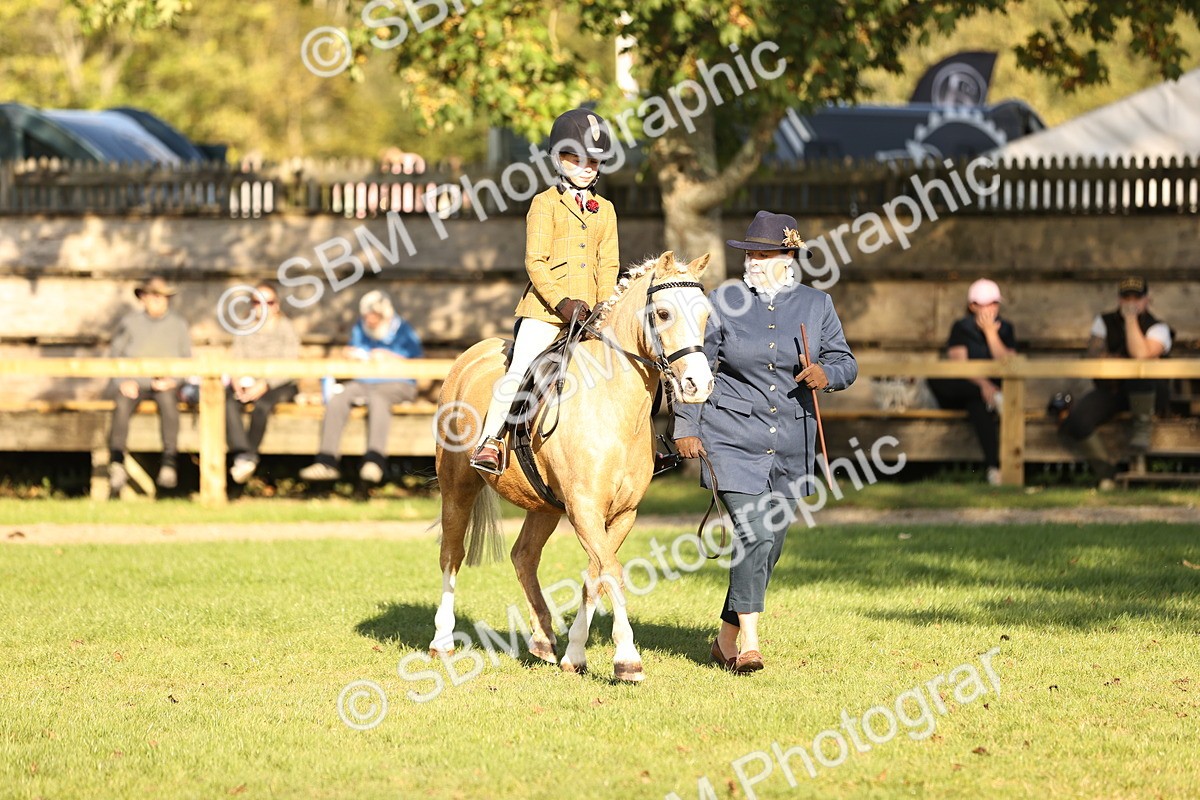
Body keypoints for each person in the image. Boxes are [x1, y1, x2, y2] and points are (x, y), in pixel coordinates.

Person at [673, 211, 858, 674]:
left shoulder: (818, 305)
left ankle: (724, 639)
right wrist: (687, 426)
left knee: (768, 543)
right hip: (730, 436)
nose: (754, 261)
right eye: (750, 253)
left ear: (789, 256)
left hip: (793, 441)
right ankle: (750, 644)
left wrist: (827, 374)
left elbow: (845, 361)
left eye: (764, 253)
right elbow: (697, 369)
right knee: (755, 530)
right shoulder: (721, 302)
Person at [469, 107, 620, 474]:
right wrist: (563, 302)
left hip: (592, 315)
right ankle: (490, 441)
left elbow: (609, 264)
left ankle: (640, 446)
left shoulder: (606, 210)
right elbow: (535, 261)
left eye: (594, 161)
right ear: (559, 158)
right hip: (546, 311)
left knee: (627, 367)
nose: (587, 167)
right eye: (578, 158)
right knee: (520, 366)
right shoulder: (545, 203)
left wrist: (604, 306)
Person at [298, 290, 423, 484]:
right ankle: (326, 462)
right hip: (365, 381)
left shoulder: (403, 330)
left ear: (384, 315)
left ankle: (374, 461)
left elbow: (416, 363)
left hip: (398, 383)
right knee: (338, 398)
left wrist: (387, 357)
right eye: (367, 317)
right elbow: (355, 351)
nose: (370, 321)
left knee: (378, 399)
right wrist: (350, 354)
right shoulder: (360, 327)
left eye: (374, 317)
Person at [1060, 276, 1171, 490]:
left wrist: (1130, 322)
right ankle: (1107, 474)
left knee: (1139, 375)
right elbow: (1092, 357)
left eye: (1136, 298)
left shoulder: (1159, 328)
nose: (1130, 303)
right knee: (1077, 420)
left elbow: (1140, 356)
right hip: (1114, 390)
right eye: (1126, 297)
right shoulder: (1104, 322)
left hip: (1149, 395)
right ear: (1119, 299)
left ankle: (1142, 431)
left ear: (1147, 300)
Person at [927, 279, 1017, 486]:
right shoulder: (961, 328)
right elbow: (959, 365)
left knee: (977, 406)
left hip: (988, 394)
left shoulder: (1005, 329)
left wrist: (991, 333)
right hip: (970, 389)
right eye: (985, 304)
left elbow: (1009, 363)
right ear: (972, 306)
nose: (991, 309)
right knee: (941, 380)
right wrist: (984, 386)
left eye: (994, 303)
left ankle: (994, 468)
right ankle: (992, 399)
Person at [107, 276, 192, 495]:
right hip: (133, 383)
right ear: (143, 298)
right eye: (154, 296)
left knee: (168, 404)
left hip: (165, 383)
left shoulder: (178, 324)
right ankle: (116, 461)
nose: (159, 301)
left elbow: (186, 361)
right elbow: (114, 358)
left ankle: (169, 462)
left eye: (163, 297)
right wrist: (123, 380)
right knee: (122, 404)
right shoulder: (129, 323)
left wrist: (174, 380)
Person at [225, 282, 300, 484]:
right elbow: (235, 360)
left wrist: (264, 383)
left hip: (279, 384)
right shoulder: (244, 328)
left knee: (262, 406)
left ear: (276, 305)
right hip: (248, 383)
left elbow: (289, 365)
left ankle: (248, 455)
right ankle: (242, 454)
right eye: (257, 302)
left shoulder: (286, 328)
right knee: (228, 402)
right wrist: (237, 381)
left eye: (268, 302)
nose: (263, 307)